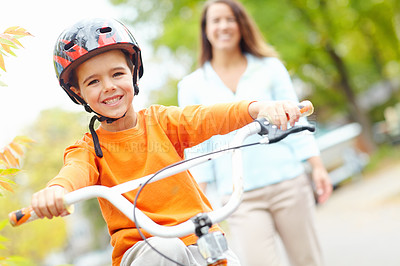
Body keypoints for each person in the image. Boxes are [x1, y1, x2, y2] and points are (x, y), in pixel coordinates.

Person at [30, 17, 303, 266]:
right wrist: (56, 191)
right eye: (93, 82)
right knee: (167, 248)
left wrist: (257, 109)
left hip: (198, 236)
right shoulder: (88, 149)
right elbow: (74, 172)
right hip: (143, 250)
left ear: (134, 72)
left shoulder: (162, 122)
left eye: (117, 74)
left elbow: (206, 117)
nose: (109, 86)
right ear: (78, 92)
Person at [178, 1, 333, 266]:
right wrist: (197, 202)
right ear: (205, 29)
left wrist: (317, 167)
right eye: (216, 20)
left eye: (230, 19)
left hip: (288, 183)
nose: (224, 26)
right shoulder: (191, 86)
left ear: (241, 25)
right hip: (239, 196)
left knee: (308, 260)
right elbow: (197, 148)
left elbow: (297, 120)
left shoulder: (270, 67)